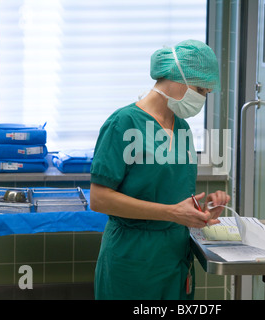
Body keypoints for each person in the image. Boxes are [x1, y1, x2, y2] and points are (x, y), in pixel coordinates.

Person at [90, 39, 230, 300]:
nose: (201, 99)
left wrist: (201, 214)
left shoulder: (182, 128)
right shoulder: (123, 123)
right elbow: (99, 199)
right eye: (200, 90)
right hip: (134, 260)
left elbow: (171, 193)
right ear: (178, 78)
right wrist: (172, 213)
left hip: (175, 258)